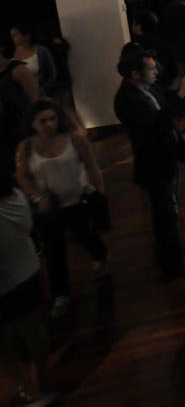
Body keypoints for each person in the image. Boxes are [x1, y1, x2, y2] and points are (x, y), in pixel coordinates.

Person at [113, 48, 185, 278]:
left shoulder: (149, 86)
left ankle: (173, 249)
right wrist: (182, 91)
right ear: (135, 74)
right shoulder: (126, 99)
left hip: (167, 155)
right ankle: (173, 265)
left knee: (170, 209)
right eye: (151, 68)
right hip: (154, 162)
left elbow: (165, 102)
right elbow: (158, 122)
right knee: (165, 214)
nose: (157, 71)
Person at [15, 100, 108, 318]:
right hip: (51, 206)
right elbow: (23, 176)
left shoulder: (73, 139)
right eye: (43, 121)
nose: (49, 124)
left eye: (53, 119)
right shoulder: (26, 147)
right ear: (33, 123)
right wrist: (39, 197)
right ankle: (60, 294)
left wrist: (98, 194)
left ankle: (101, 257)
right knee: (54, 251)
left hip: (77, 199)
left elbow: (91, 166)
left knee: (84, 234)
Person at [1, 167, 55, 406]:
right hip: (28, 271)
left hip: (5, 282)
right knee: (34, 331)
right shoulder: (15, 196)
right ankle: (39, 384)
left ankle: (27, 388)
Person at [0, 53, 36, 175]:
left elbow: (34, 99)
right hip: (4, 129)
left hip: (19, 125)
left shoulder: (17, 69)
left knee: (27, 165)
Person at [8, 26, 56, 98]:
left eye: (15, 35)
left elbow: (52, 75)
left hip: (40, 95)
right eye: (11, 36)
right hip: (23, 98)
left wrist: (42, 91)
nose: (13, 38)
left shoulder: (41, 51)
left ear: (26, 36)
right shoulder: (12, 56)